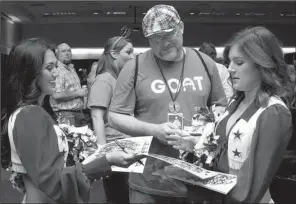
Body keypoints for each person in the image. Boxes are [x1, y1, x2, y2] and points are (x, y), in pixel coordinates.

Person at [108, 4, 227, 203]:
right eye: (155, 38)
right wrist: (155, 130)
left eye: (168, 34)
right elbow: (114, 116)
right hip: (148, 180)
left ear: (181, 28)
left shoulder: (206, 64)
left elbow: (220, 108)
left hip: (196, 179)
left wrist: (205, 134)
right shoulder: (133, 67)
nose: (163, 43)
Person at [0, 38, 144, 203]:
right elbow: (56, 184)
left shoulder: (31, 112)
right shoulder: (30, 115)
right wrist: (106, 161)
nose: (56, 73)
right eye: (49, 68)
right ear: (30, 72)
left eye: (55, 66)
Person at [166, 26, 294, 203]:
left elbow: (253, 185)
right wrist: (194, 144)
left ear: (262, 64)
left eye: (239, 63)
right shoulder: (235, 102)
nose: (230, 68)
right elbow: (223, 147)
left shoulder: (274, 112)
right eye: (230, 61)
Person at [87, 36, 134, 204]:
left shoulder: (117, 79)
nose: (132, 56)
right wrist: (103, 151)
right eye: (128, 52)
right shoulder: (104, 79)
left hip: (125, 146)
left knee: (124, 196)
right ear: (114, 54)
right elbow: (96, 115)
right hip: (114, 148)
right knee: (118, 197)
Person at [50, 43, 88, 126]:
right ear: (57, 55)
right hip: (66, 115)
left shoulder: (71, 70)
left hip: (77, 113)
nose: (67, 53)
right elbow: (56, 95)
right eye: (63, 51)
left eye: (69, 51)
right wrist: (78, 93)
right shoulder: (58, 70)